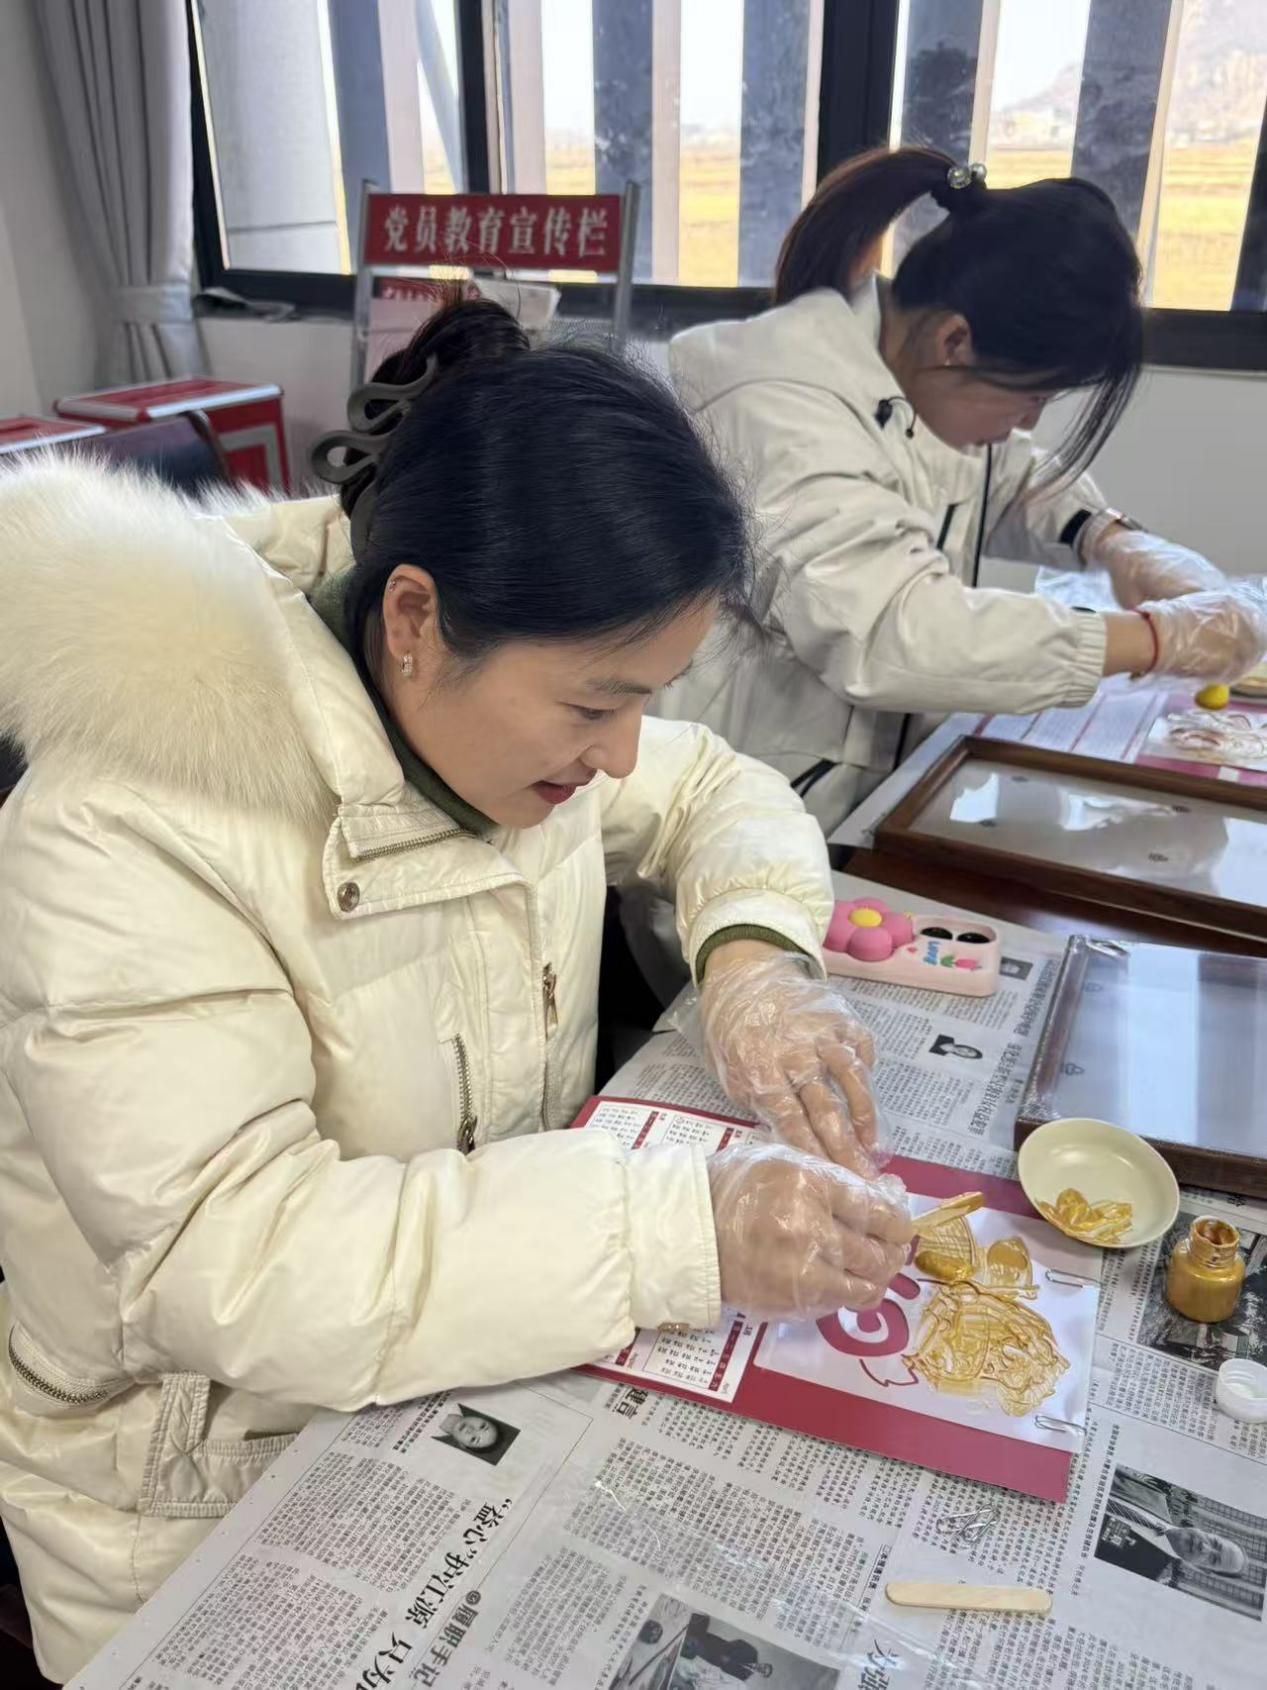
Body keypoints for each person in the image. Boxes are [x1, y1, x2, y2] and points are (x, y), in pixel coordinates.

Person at [0, 299, 912, 1681]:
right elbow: (231, 1260)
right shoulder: (128, 821)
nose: (619, 756)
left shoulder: (474, 711)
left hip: (462, 1371)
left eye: (646, 698)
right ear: (414, 616)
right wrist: (681, 1231)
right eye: (594, 705)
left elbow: (712, 789)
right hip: (193, 1483)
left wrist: (750, 963)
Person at [658, 146, 1267, 832]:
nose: (1028, 423)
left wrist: (1114, 539)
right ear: (954, 342)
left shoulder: (902, 367)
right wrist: (1157, 639)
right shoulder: (777, 402)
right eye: (1031, 396)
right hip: (749, 806)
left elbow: (1010, 475)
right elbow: (895, 632)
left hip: (865, 790)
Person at [1098, 1469, 1248, 1586]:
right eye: (1215, 1543)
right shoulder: (1154, 1494)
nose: (1204, 1547)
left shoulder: (1147, 1573)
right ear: (1210, 1532)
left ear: (1203, 1569)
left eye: (1213, 1559)